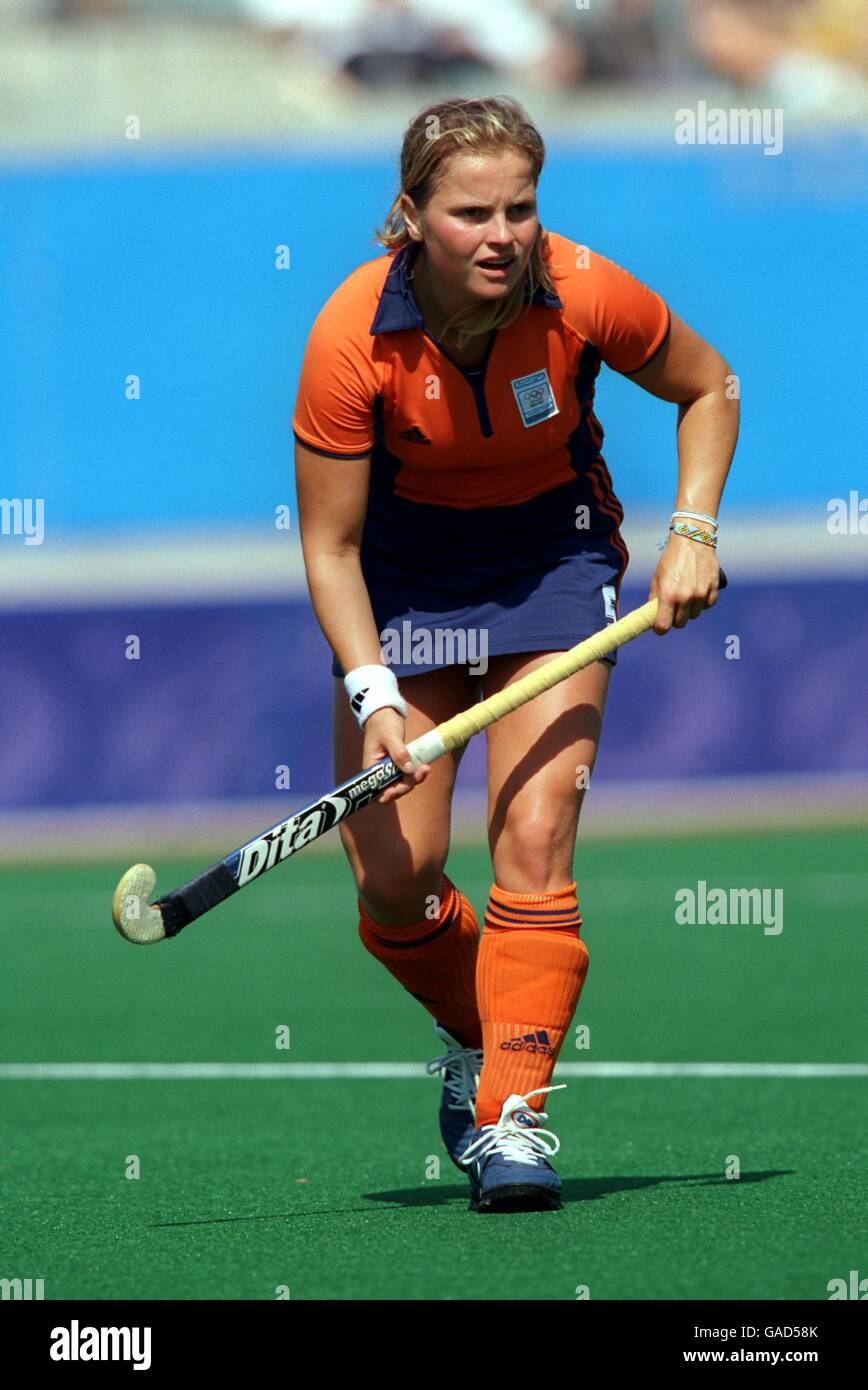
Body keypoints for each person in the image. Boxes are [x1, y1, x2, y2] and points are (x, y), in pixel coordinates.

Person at [293, 95, 738, 1213]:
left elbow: (707, 387)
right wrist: (374, 691)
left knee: (534, 838)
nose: (502, 234)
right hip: (401, 588)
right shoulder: (352, 336)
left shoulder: (584, 292)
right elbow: (331, 546)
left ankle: (511, 1117)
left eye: (521, 209)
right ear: (410, 219)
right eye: (471, 213)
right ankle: (474, 1028)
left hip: (553, 566)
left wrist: (692, 530)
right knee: (396, 881)